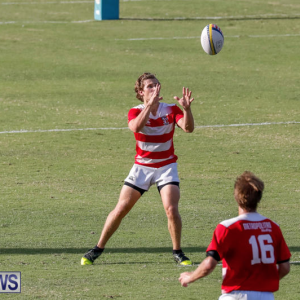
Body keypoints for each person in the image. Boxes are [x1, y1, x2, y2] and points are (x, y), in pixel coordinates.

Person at [81, 72, 195, 266]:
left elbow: (188, 128)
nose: (154, 88)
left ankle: (177, 252)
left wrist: (187, 110)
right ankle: (98, 248)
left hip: (166, 166)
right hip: (142, 167)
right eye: (149, 86)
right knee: (121, 209)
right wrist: (149, 106)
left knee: (171, 209)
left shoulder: (170, 109)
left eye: (156, 84)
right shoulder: (135, 111)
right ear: (141, 92)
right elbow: (136, 127)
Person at [179, 171, 291, 300]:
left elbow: (209, 264)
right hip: (266, 296)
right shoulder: (273, 227)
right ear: (259, 197)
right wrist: (264, 282)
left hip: (236, 295)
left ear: (236, 197)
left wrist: (190, 277)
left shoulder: (228, 228)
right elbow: (285, 267)